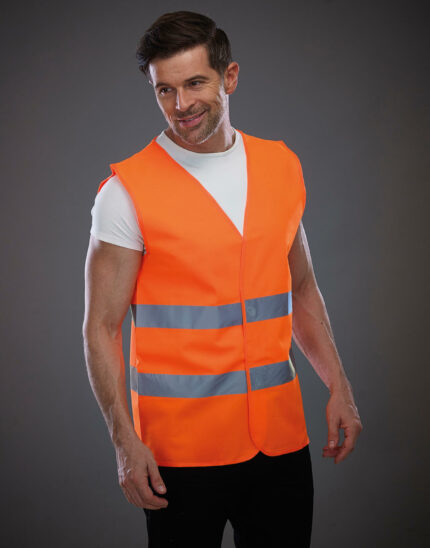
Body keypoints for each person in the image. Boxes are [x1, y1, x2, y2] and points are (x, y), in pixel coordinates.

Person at [82, 10, 362, 548]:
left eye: (194, 83)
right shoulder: (125, 192)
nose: (180, 105)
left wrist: (339, 388)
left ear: (229, 77)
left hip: (280, 444)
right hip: (178, 456)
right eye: (164, 90)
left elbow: (301, 288)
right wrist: (123, 441)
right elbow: (101, 328)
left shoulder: (281, 166)